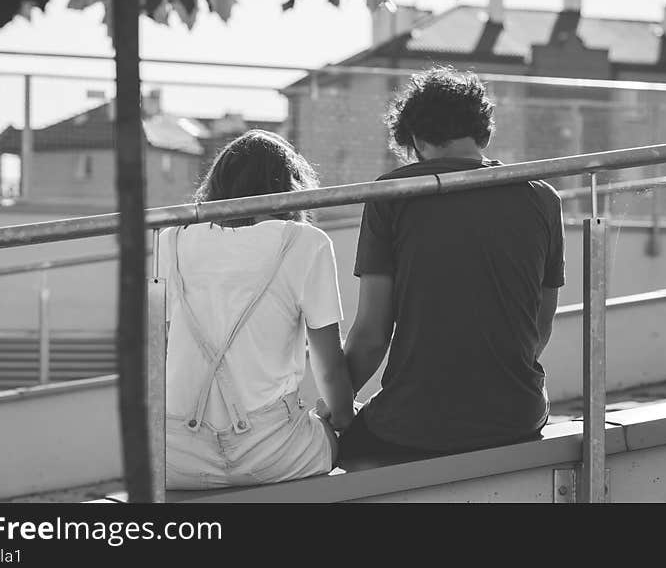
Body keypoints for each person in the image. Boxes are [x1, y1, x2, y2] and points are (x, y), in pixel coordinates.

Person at [334, 67, 565, 461]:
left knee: (340, 452)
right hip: (518, 416)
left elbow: (372, 336)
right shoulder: (542, 197)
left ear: (415, 140)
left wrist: (337, 406)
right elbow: (539, 326)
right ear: (485, 134)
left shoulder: (393, 193)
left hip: (414, 425)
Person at [162, 130, 354, 489]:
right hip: (274, 452)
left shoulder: (171, 241)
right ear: (290, 187)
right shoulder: (306, 242)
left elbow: (167, 344)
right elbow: (327, 364)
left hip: (177, 458)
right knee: (333, 439)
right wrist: (342, 416)